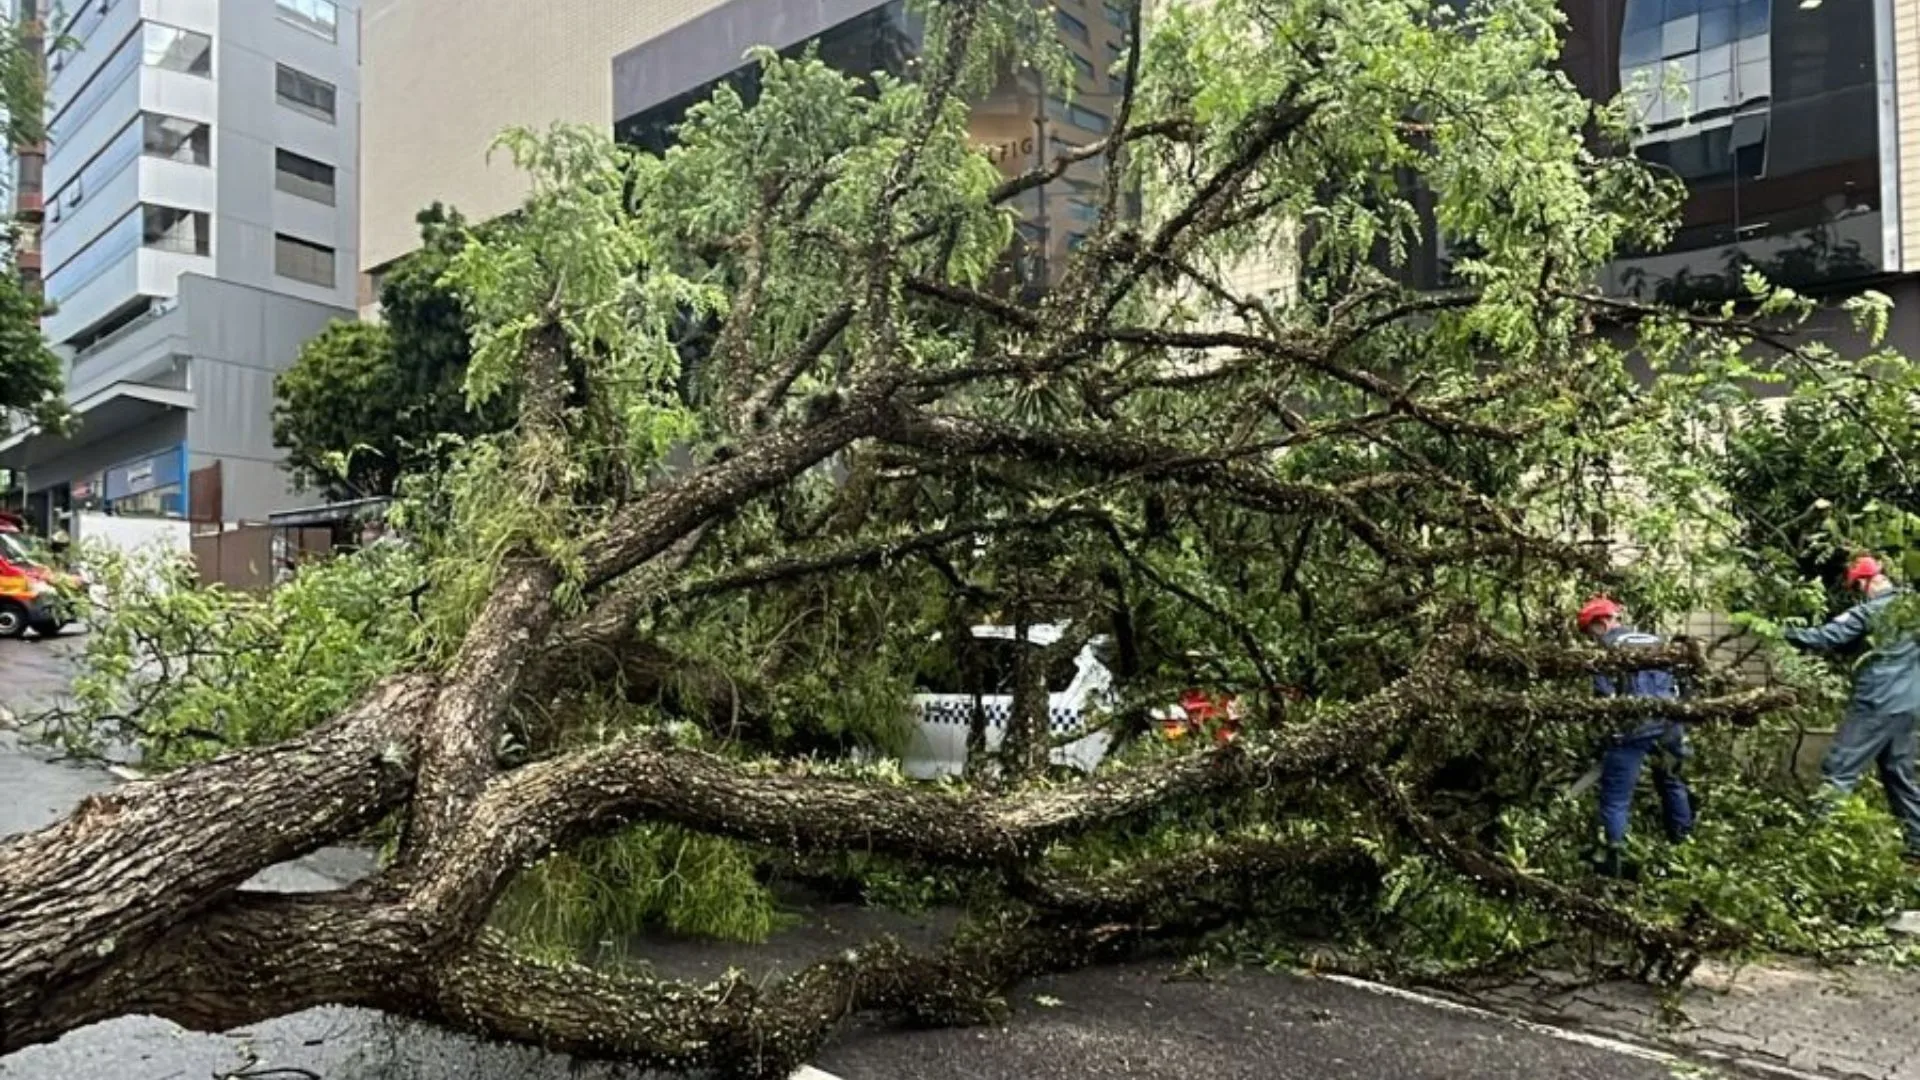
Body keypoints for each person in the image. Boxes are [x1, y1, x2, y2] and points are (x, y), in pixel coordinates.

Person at [1783, 555, 1920, 864]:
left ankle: (1819, 847)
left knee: (1839, 770)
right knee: (1899, 775)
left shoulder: (1869, 611)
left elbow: (1827, 636)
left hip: (1876, 704)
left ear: (1863, 583)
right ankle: (1918, 846)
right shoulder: (1913, 610)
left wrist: (1783, 633)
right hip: (1909, 706)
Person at [1579, 596, 1695, 876]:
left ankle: (1611, 862)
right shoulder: (1655, 639)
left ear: (1602, 622)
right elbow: (1682, 681)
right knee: (1672, 783)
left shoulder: (1608, 648)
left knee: (1616, 797)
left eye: (1590, 631)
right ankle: (1685, 850)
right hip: (1670, 723)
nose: (1590, 639)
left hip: (1632, 728)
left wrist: (1606, 731)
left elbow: (1605, 695)